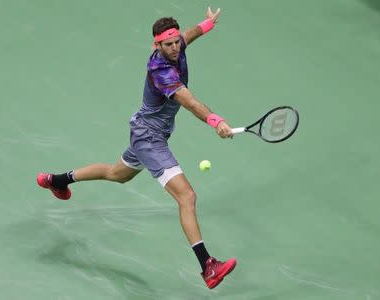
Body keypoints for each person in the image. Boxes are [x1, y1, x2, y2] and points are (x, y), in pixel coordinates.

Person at [37, 7, 237, 289]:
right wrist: (216, 121)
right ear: (156, 44)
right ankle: (208, 267)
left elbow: (188, 35)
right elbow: (189, 102)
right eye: (167, 44)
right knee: (187, 197)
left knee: (116, 173)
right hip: (149, 139)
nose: (175, 47)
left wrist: (207, 24)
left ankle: (56, 181)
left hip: (147, 131)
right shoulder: (161, 70)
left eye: (175, 41)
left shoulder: (178, 46)